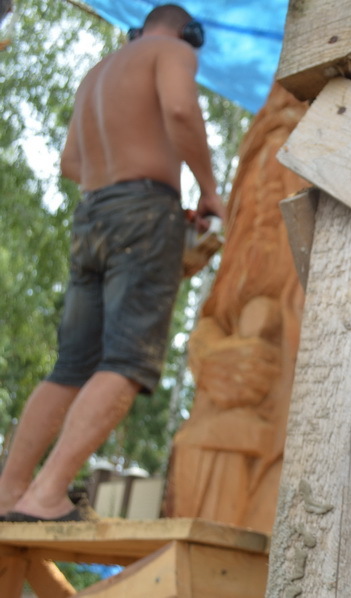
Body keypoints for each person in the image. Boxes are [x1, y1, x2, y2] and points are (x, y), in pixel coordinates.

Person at [0, 4, 224, 522]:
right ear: (189, 33)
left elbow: (69, 163)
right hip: (144, 213)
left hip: (92, 214)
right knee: (126, 361)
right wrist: (207, 191)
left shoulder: (95, 74)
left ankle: (10, 493)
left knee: (71, 366)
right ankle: (47, 495)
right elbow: (182, 112)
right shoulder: (172, 51)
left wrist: (129, 175)